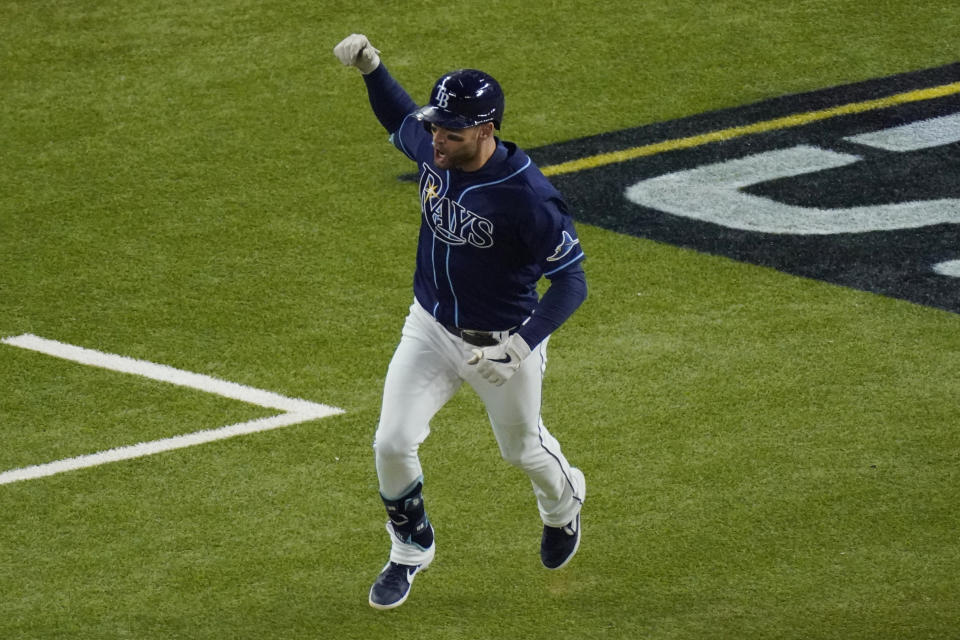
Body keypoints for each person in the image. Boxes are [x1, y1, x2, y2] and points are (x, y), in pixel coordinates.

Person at [333, 33, 589, 610]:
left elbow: (572, 281)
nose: (437, 140)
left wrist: (520, 348)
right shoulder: (434, 147)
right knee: (392, 441)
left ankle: (564, 505)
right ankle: (410, 548)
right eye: (436, 128)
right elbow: (400, 119)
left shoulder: (529, 199)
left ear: (486, 129)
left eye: (451, 131)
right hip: (429, 327)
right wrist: (373, 69)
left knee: (523, 451)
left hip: (502, 339)